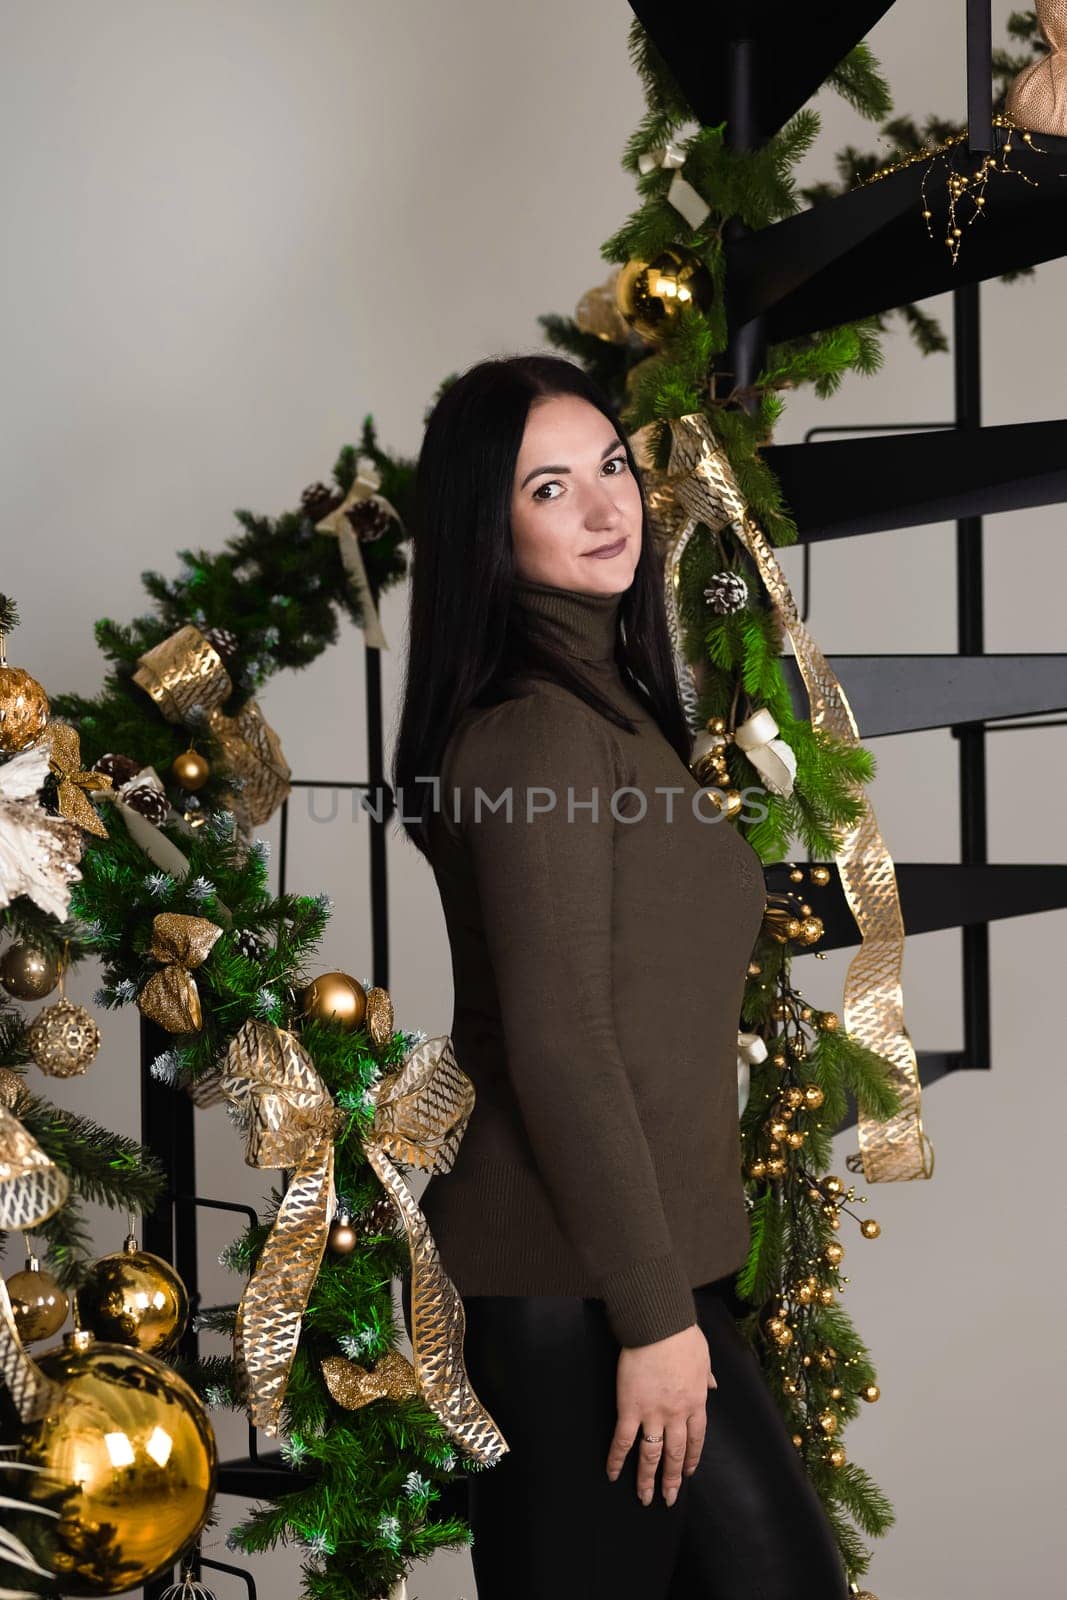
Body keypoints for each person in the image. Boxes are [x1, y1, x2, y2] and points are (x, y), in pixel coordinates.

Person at [391, 354, 849, 1598]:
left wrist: (666, 1304)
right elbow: (558, 1043)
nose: (608, 510)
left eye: (609, 468)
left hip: (638, 1274)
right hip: (570, 1294)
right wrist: (652, 1320)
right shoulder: (533, 727)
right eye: (551, 487)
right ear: (487, 527)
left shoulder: (611, 701)